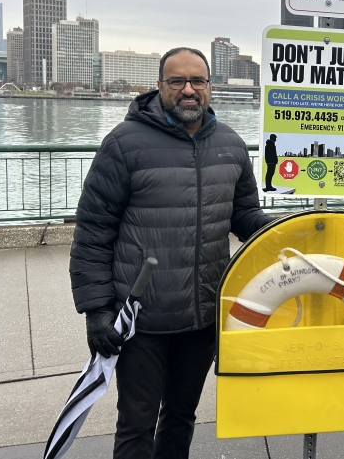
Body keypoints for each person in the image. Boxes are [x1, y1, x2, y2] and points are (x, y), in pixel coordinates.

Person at [69, 47, 274, 459]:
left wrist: (287, 228)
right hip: (141, 317)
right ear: (159, 86)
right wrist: (96, 311)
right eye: (177, 81)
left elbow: (244, 214)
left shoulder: (231, 145)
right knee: (136, 423)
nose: (188, 90)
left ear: (209, 88)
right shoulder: (124, 144)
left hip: (202, 315)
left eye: (197, 81)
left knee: (181, 416)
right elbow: (93, 232)